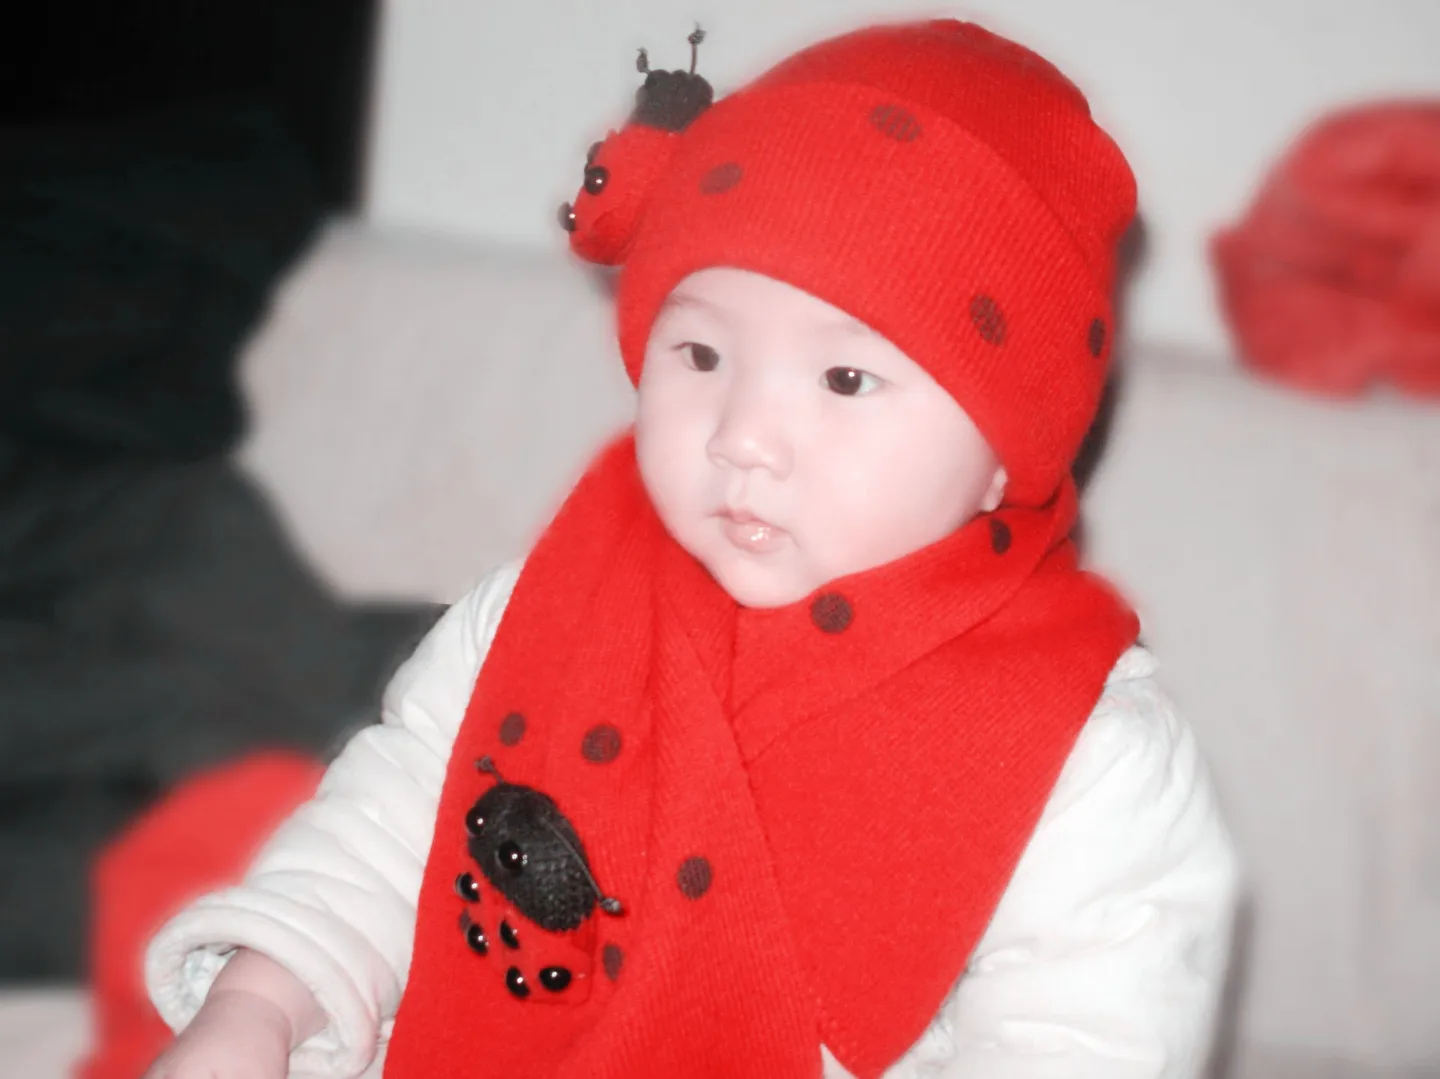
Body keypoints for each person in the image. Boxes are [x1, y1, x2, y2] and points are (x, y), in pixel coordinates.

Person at [142, 18, 1241, 1079]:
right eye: (703, 354)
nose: (742, 436)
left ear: (1004, 452)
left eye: (845, 378)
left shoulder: (1090, 762)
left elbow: (1081, 1040)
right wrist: (260, 1002)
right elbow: (396, 816)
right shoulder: (547, 600)